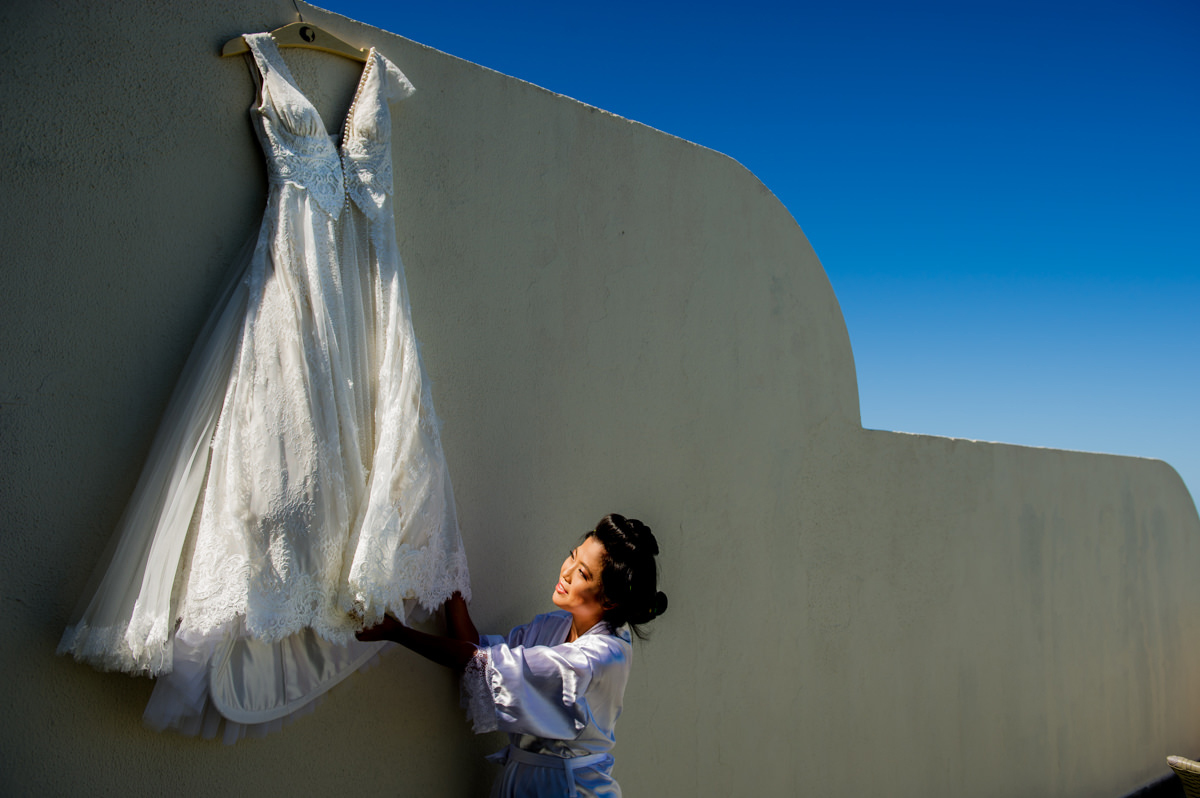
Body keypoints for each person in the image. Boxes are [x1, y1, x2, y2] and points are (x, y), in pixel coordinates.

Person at [357, 513, 668, 797]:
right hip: (522, 781)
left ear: (610, 600)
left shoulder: (602, 656)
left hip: (569, 789)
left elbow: (480, 664)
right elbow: (481, 652)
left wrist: (398, 633)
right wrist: (451, 581)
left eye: (583, 573)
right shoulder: (553, 626)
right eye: (572, 557)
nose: (567, 572)